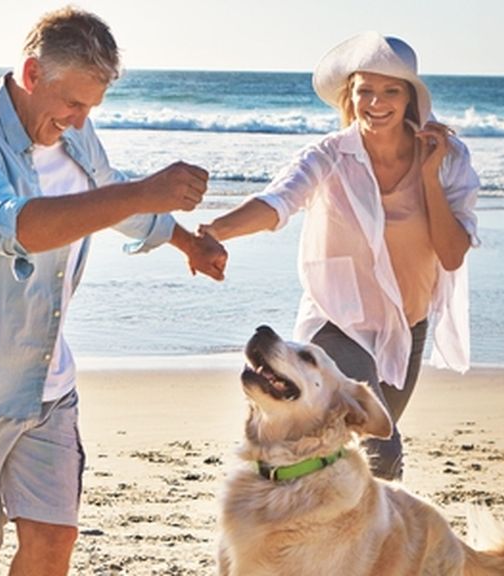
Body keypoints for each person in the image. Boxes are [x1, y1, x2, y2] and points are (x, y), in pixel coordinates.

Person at [0, 7, 222, 575]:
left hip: (45, 380)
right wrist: (145, 193)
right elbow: (12, 228)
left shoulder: (75, 131)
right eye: (72, 103)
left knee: (53, 542)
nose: (78, 119)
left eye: (91, 108)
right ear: (30, 74)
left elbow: (106, 195)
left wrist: (183, 241)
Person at [190, 32, 480, 481]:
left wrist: (428, 176)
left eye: (391, 91)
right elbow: (278, 202)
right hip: (339, 320)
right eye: (365, 90)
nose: (376, 103)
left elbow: (452, 253)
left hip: (408, 325)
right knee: (382, 450)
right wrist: (213, 232)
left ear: (410, 98)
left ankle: (331, 534)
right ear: (350, 94)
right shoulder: (330, 155)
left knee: (358, 452)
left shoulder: (448, 160)